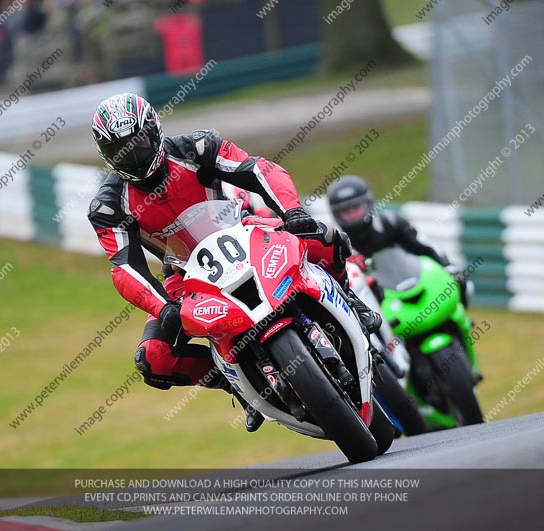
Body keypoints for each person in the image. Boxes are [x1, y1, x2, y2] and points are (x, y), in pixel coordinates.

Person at [87, 92, 380, 432]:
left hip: (245, 231)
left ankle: (350, 299)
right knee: (154, 358)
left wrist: (294, 211)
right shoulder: (108, 206)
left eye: (138, 144)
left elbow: (259, 169)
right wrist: (163, 307)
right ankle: (237, 384)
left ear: (155, 130)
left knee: (325, 237)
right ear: (104, 154)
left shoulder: (197, 148)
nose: (134, 158)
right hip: (185, 274)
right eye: (119, 150)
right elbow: (124, 267)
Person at [326, 175, 468, 305]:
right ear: (336, 214)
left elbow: (425, 246)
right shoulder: (337, 244)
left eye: (356, 208)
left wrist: (447, 266)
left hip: (408, 285)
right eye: (345, 211)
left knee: (459, 281)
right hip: (376, 304)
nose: (352, 215)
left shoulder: (390, 223)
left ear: (367, 204)